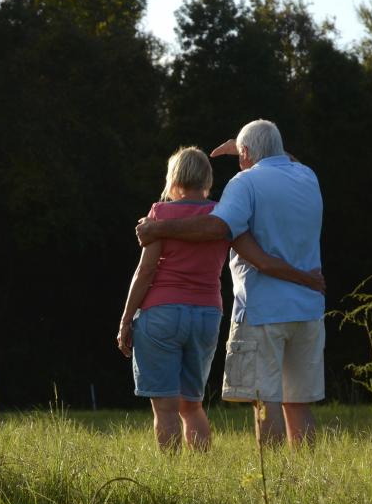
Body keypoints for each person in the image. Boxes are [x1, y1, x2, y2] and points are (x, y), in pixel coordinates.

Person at [118, 145, 323, 451]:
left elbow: (145, 271)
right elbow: (261, 259)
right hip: (206, 315)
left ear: (173, 178)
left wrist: (125, 320)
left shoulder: (160, 214)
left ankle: (173, 473)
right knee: (192, 406)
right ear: (208, 179)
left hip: (161, 313)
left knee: (166, 408)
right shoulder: (224, 215)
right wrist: (306, 277)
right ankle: (201, 466)